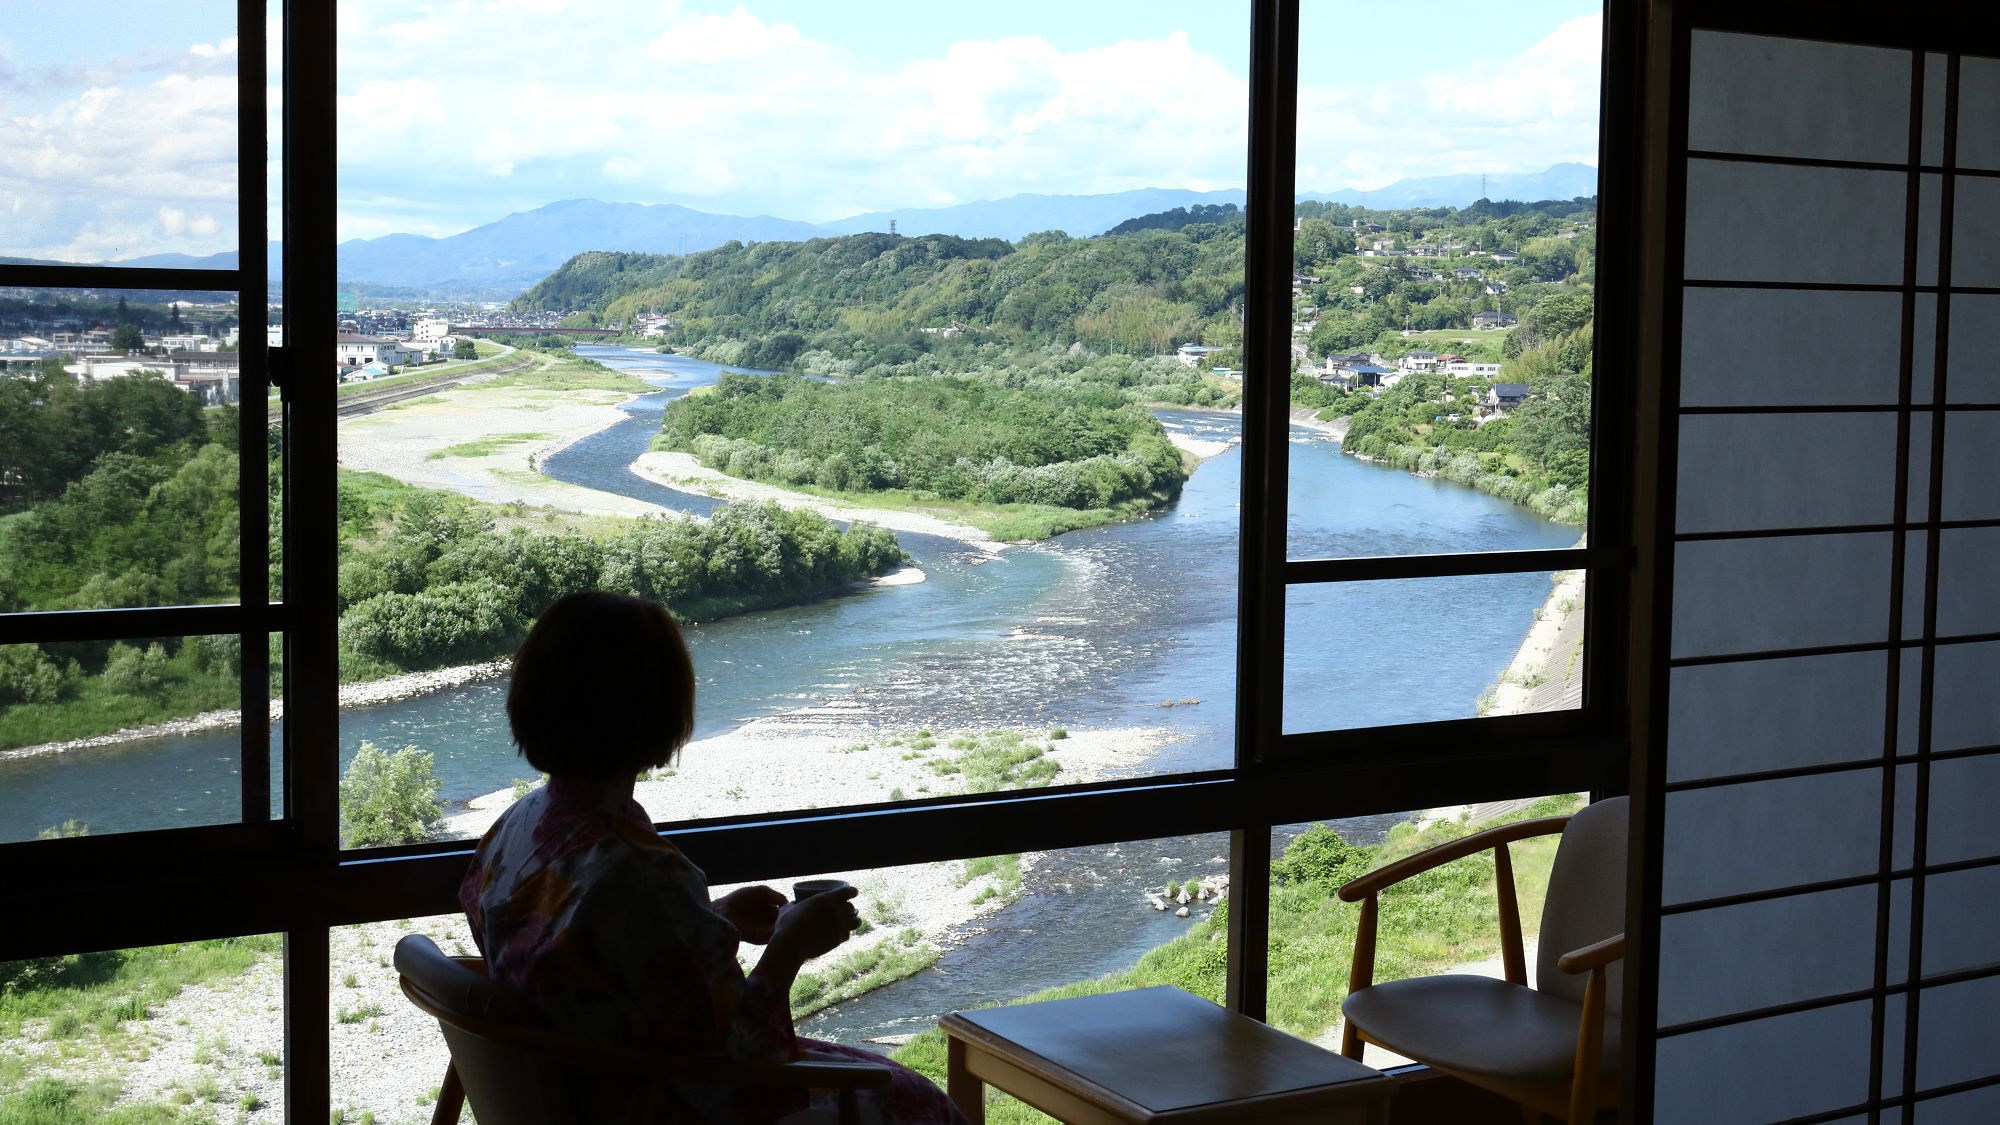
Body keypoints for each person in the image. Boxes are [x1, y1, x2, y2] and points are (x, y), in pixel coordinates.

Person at [460, 590, 966, 1124]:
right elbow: (739, 1055)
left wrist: (711, 920)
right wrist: (790, 946)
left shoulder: (517, 826)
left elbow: (585, 956)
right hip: (657, 1101)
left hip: (575, 1088)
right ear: (656, 712)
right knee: (920, 1101)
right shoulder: (640, 870)